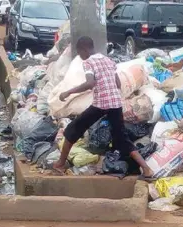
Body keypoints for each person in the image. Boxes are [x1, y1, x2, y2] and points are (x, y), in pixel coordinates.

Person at [53, 36, 154, 179]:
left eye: (80, 53)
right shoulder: (108, 60)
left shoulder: (88, 62)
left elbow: (90, 83)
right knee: (121, 139)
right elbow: (118, 83)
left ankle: (60, 163)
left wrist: (68, 92)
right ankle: (147, 169)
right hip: (116, 104)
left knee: (73, 128)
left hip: (101, 104)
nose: (80, 57)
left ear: (83, 49)